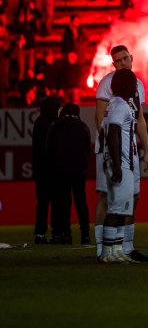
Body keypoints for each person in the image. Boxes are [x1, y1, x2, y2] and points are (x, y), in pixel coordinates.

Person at [94, 45, 148, 262]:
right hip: (111, 148)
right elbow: (100, 119)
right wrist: (110, 150)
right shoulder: (109, 83)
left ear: (132, 57)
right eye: (118, 60)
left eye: (125, 58)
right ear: (113, 63)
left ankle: (126, 247)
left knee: (133, 196)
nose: (123, 63)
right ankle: (103, 249)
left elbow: (140, 119)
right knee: (106, 196)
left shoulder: (137, 84)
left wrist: (146, 150)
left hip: (130, 148)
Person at [99, 69, 139, 264]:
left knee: (122, 210)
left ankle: (116, 249)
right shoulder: (120, 105)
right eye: (133, 83)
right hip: (121, 163)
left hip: (124, 162)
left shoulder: (117, 105)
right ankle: (107, 252)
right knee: (115, 209)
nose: (135, 87)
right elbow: (113, 132)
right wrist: (116, 164)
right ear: (126, 85)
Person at [48, 101, 90, 245]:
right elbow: (87, 148)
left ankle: (66, 234)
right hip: (79, 171)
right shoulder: (82, 126)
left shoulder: (56, 126)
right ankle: (85, 235)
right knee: (81, 203)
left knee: (64, 204)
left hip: (61, 171)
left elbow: (49, 150)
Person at [32, 98, 59, 244]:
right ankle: (56, 233)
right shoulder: (55, 124)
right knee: (56, 203)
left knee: (42, 203)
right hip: (53, 170)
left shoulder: (38, 123)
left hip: (40, 171)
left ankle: (40, 233)